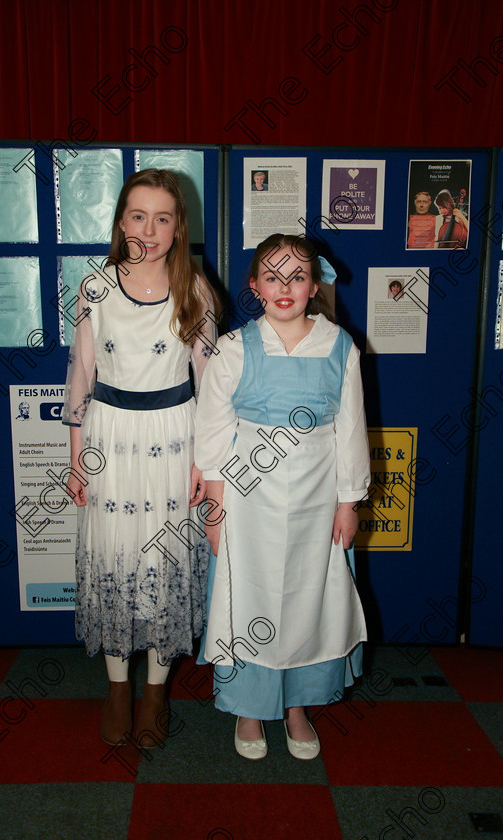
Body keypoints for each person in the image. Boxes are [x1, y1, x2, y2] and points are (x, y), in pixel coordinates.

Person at [195, 233, 370, 761]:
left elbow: (351, 428)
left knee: (309, 597)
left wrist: (348, 502)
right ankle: (251, 707)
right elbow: (212, 429)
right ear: (254, 286)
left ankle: (297, 705)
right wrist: (214, 506)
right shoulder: (233, 347)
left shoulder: (341, 347)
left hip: (319, 496)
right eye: (273, 276)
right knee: (251, 594)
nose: (285, 287)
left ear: (314, 283)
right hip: (250, 498)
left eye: (297, 276)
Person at [62, 168, 217, 748]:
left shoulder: (194, 289)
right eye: (137, 215)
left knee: (162, 564)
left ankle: (155, 692)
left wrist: (207, 461)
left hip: (175, 441)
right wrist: (76, 458)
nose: (147, 230)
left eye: (162, 218)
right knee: (115, 558)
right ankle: (118, 688)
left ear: (179, 229)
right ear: (120, 221)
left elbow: (209, 386)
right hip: (109, 442)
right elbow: (81, 375)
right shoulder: (93, 287)